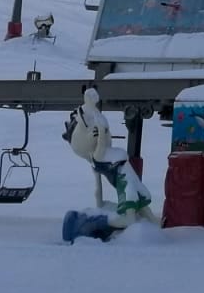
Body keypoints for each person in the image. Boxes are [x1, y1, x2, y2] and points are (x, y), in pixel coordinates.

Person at [62, 86, 151, 219]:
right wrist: (100, 128)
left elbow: (98, 192)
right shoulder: (98, 156)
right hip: (124, 181)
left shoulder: (100, 156)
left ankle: (149, 225)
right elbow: (101, 138)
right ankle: (114, 223)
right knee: (131, 214)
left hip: (129, 179)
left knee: (142, 209)